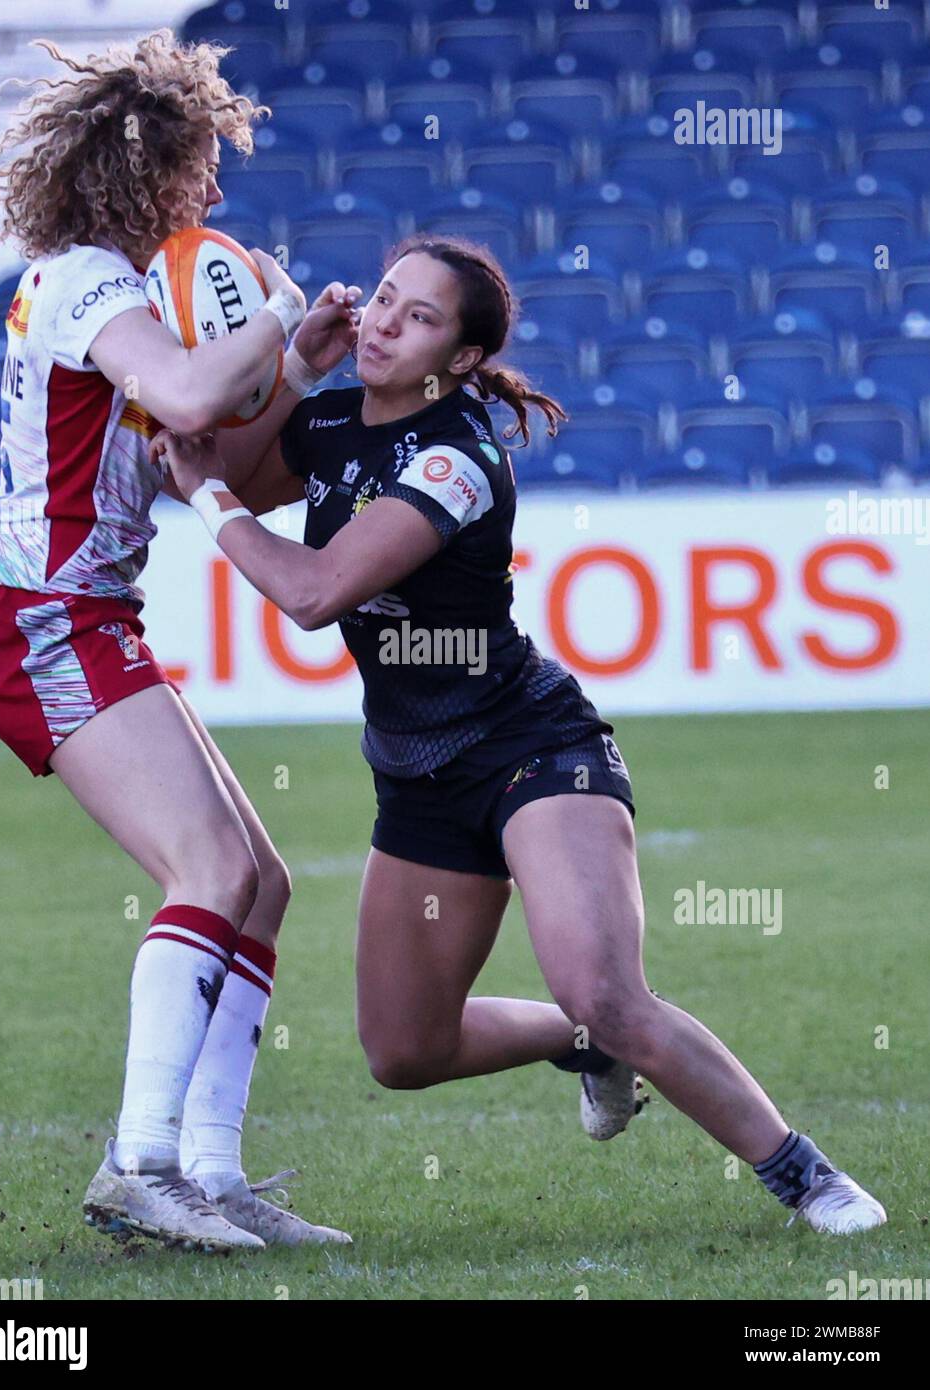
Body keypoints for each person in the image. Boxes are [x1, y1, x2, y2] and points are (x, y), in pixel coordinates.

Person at [153, 234, 887, 1237]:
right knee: (402, 1052)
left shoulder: (458, 456)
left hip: (530, 748)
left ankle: (808, 1178)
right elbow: (212, 461)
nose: (382, 321)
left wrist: (212, 496)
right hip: (415, 775)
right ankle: (583, 1043)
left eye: (417, 317)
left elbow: (313, 590)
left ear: (458, 359)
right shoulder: (327, 415)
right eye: (380, 297)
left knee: (608, 990)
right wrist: (292, 363)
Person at [0, 28, 353, 1253]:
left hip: (75, 619)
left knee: (261, 883)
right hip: (39, 619)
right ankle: (140, 1166)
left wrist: (297, 368)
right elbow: (189, 401)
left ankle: (212, 1174)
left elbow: (219, 467)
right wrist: (277, 310)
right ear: (142, 176)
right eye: (196, 168)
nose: (215, 196)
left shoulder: (128, 300)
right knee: (212, 872)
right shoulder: (85, 280)